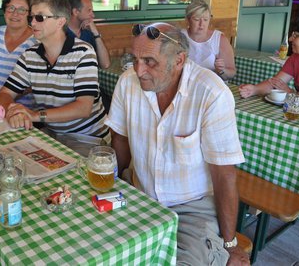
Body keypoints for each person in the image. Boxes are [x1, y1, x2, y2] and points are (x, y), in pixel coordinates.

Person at [106, 23, 249, 265]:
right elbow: (119, 139)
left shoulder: (211, 92)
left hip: (191, 209)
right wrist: (112, 187)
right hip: (139, 196)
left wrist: (230, 244)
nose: (139, 70)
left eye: (150, 61)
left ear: (180, 60)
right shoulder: (128, 81)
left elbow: (224, 174)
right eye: (135, 59)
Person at [0, 0, 110, 156]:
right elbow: (5, 93)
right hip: (52, 134)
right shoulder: (29, 55)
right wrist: (12, 110)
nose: (33, 23)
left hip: (88, 139)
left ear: (60, 21)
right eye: (31, 18)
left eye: (40, 18)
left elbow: (83, 108)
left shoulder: (83, 52)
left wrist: (34, 115)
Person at [181, 0, 236, 81]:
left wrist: (222, 71)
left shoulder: (219, 39)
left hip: (212, 87)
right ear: (188, 20)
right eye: (196, 19)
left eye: (206, 20)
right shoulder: (180, 36)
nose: (201, 24)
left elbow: (232, 73)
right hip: (186, 85)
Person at [67, 0, 111, 69]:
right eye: (89, 10)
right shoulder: (61, 33)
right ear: (76, 12)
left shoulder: (89, 33)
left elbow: (105, 64)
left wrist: (96, 33)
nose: (93, 15)